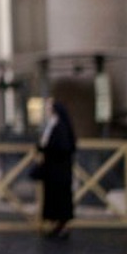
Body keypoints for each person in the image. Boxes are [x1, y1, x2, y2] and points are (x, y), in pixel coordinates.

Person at [37, 99, 76, 239]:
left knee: (60, 199)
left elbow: (61, 146)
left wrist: (45, 148)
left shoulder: (60, 126)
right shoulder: (55, 124)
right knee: (55, 198)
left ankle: (63, 227)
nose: (47, 110)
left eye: (49, 108)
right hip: (54, 170)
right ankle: (57, 226)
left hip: (59, 170)